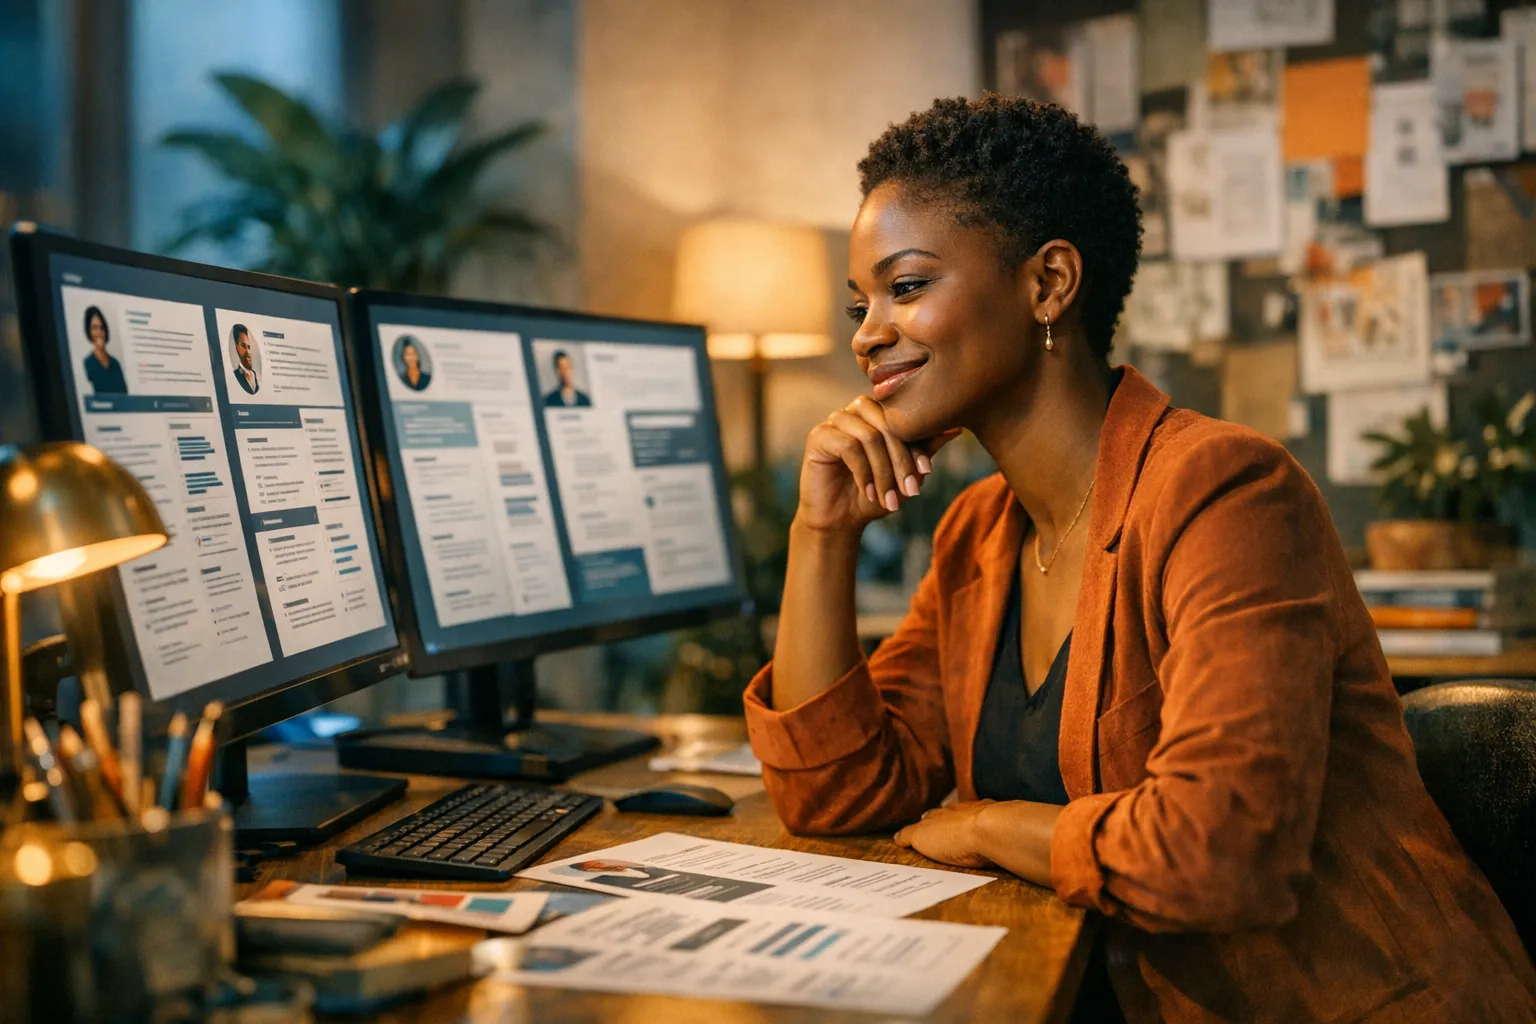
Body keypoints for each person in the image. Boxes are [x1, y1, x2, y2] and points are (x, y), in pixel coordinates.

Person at [743, 96, 1536, 1023]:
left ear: (1048, 285)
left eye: (906, 287)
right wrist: (822, 535)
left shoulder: (1225, 492)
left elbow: (1221, 852)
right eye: (860, 303)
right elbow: (837, 791)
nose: (866, 333)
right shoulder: (978, 535)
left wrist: (995, 825)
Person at [81, 306, 127, 394]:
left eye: (101, 328)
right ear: (89, 331)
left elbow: (125, 395)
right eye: (94, 328)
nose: (99, 332)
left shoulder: (115, 363)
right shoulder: (87, 363)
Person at [230, 324, 259, 395]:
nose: (248, 352)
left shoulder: (253, 374)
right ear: (237, 348)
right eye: (243, 346)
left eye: (248, 347)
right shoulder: (235, 375)